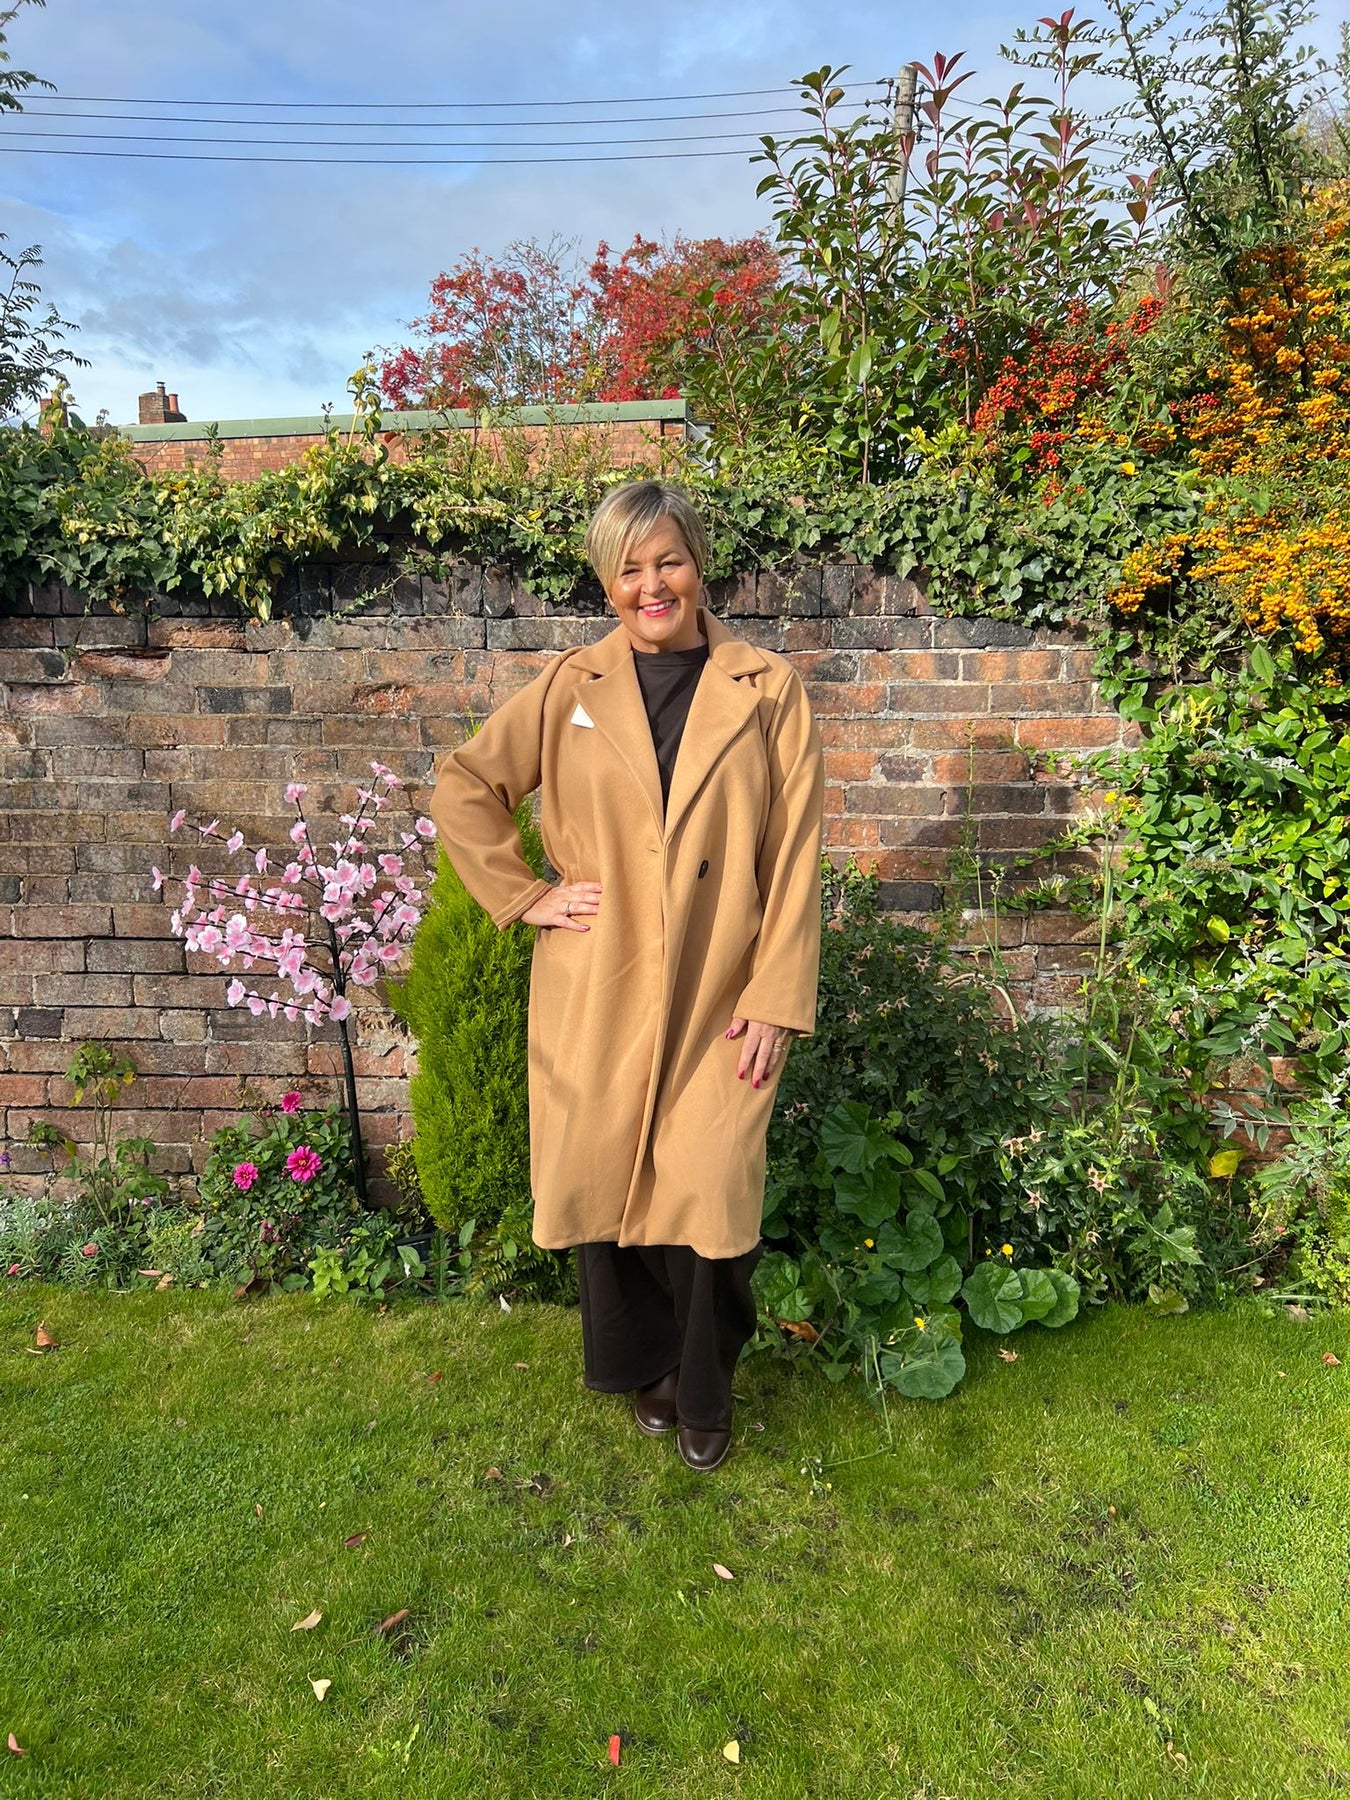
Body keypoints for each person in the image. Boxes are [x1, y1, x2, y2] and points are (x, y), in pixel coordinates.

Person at [427, 479, 825, 1471]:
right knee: (608, 1186)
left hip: (721, 988)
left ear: (698, 566)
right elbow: (466, 784)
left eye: (668, 562)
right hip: (599, 981)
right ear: (608, 584)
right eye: (629, 569)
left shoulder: (767, 690)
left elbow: (796, 856)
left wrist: (777, 998)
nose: (653, 586)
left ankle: (706, 1390)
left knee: (711, 1193)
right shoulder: (572, 686)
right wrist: (526, 895)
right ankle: (649, 1366)